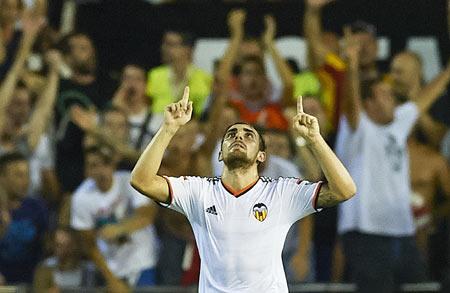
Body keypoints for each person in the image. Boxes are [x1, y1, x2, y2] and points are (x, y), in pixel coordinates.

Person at [130, 86, 356, 292]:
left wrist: (315, 139)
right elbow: (142, 180)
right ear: (220, 153)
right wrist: (168, 129)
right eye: (231, 135)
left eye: (249, 136)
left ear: (261, 156)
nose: (239, 137)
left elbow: (344, 190)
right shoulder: (199, 192)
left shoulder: (281, 193)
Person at [336, 31, 450, 292]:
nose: (392, 100)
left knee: (421, 288)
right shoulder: (357, 128)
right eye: (385, 95)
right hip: (366, 234)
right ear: (369, 104)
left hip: (402, 233)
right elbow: (350, 104)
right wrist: (352, 65)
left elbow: (427, 96)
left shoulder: (398, 122)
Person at [70, 145, 158, 293]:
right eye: (94, 166)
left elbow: (147, 216)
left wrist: (119, 228)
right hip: (111, 266)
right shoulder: (81, 197)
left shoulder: (130, 181)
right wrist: (111, 280)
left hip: (142, 260)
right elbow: (89, 244)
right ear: (87, 170)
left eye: (105, 164)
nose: (101, 171)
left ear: (112, 165)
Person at [0, 152, 49, 284]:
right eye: (18, 175)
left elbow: (46, 250)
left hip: (29, 284)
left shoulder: (37, 207)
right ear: (2, 178)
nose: (25, 181)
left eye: (27, 175)